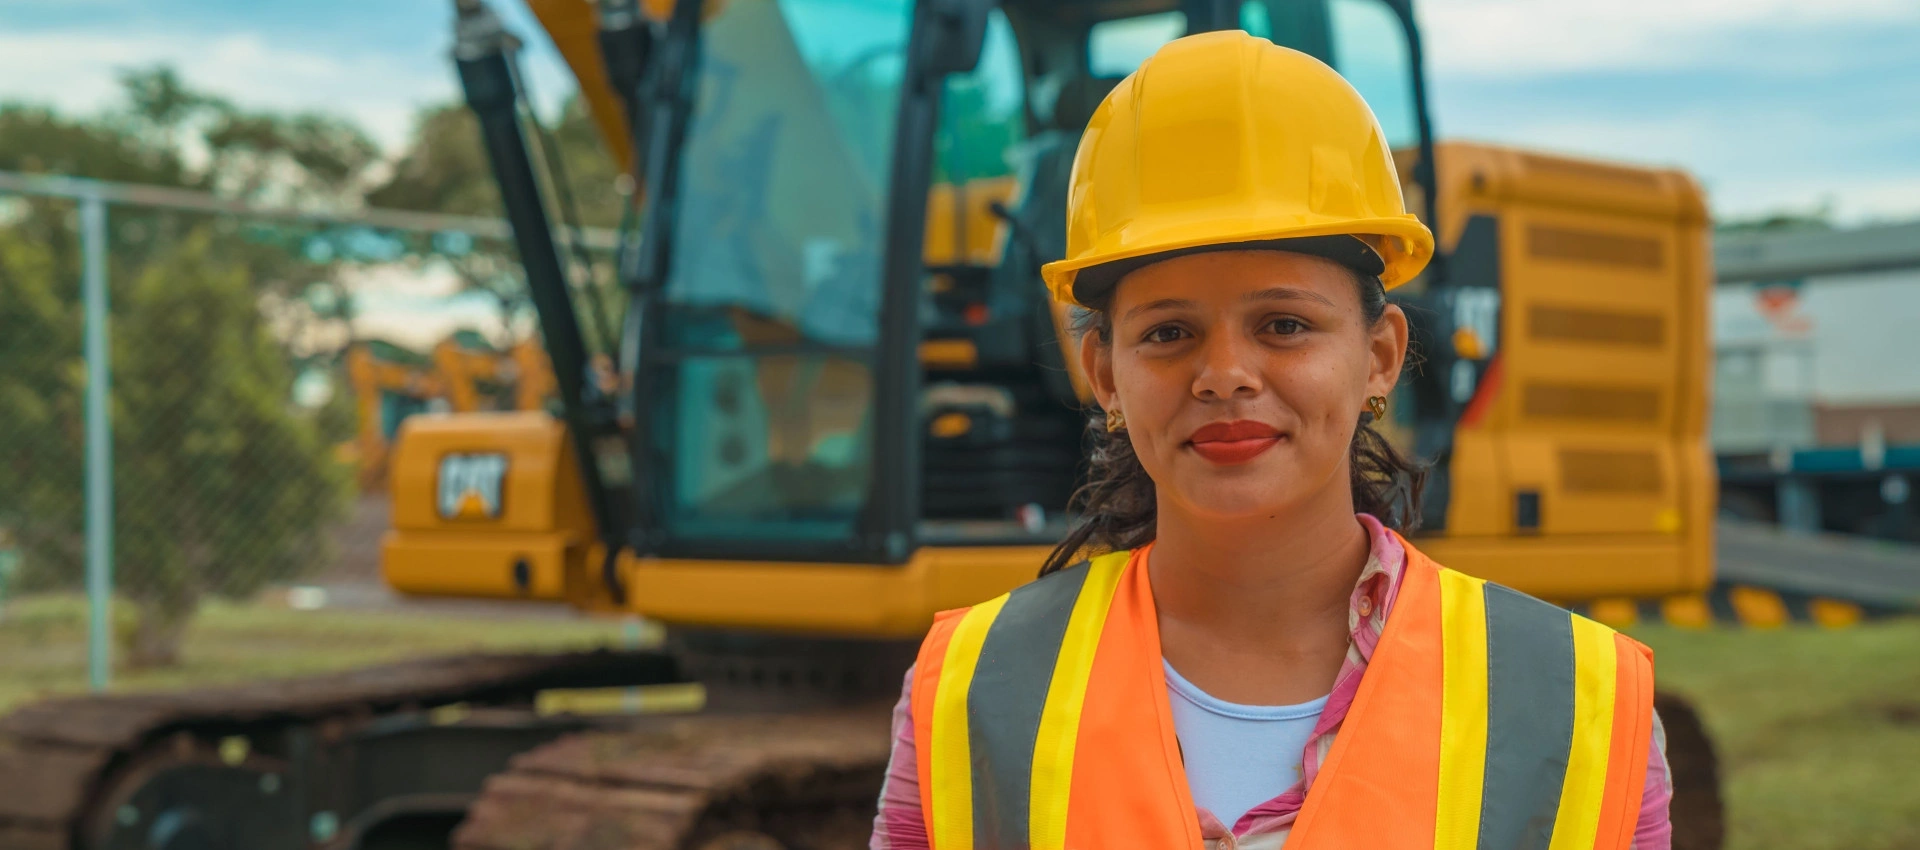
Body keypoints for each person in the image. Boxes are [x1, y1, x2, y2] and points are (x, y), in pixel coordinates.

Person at [870, 31, 1672, 850]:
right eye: (1169, 332)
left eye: (1284, 325)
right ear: (1103, 374)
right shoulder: (972, 691)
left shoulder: (1576, 704)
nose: (1224, 374)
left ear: (1380, 357)